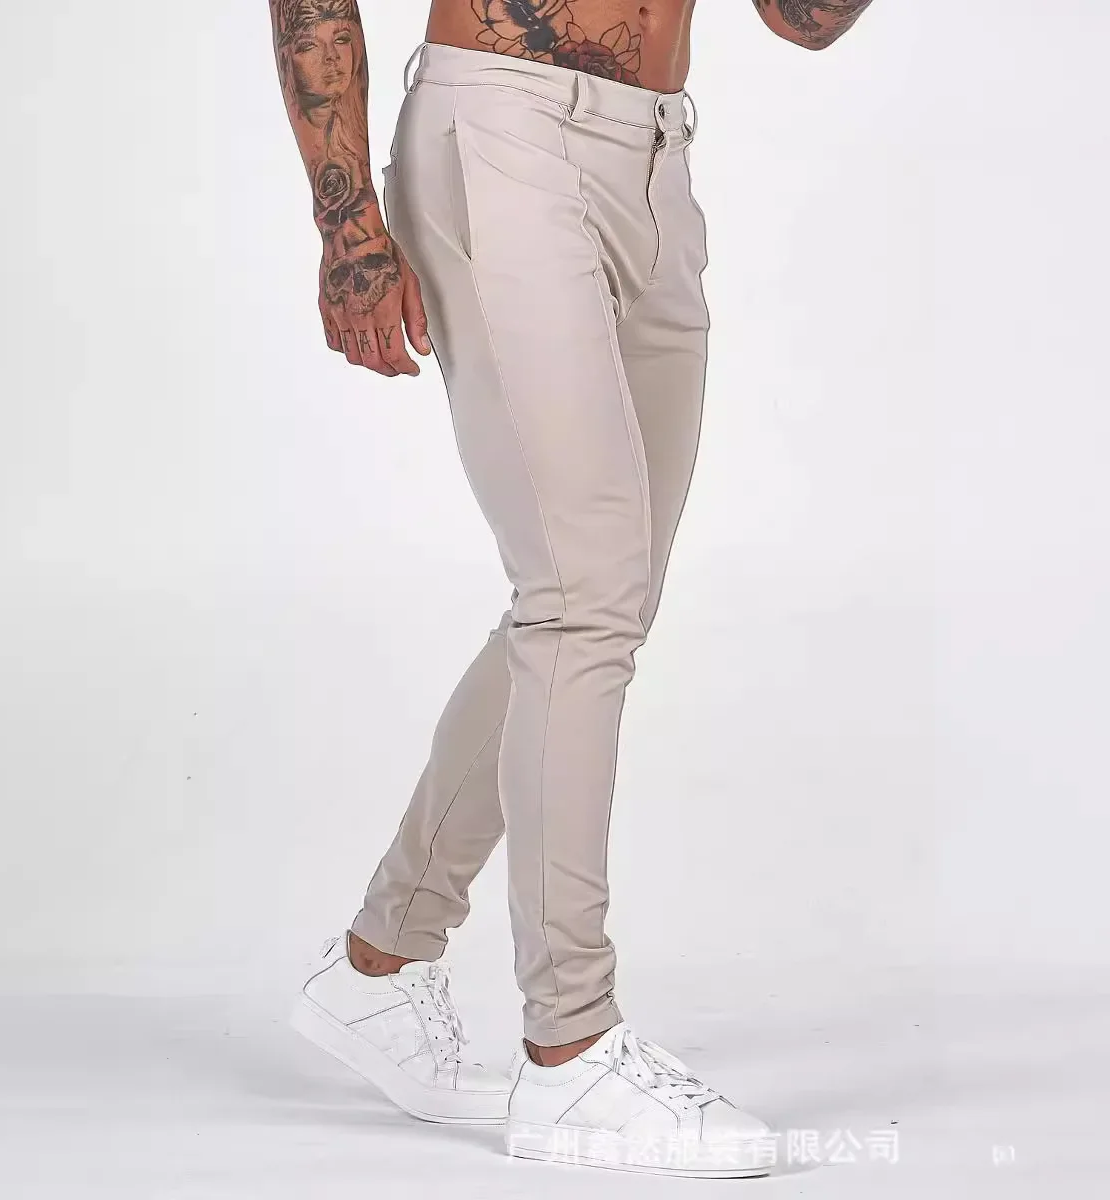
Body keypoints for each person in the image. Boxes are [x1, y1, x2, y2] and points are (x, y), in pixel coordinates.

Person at [267, 0, 875, 1178]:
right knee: (581, 597)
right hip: (501, 126)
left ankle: (380, 963)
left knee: (597, 600)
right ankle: (571, 1052)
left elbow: (801, 20)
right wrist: (348, 226)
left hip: (655, 152)